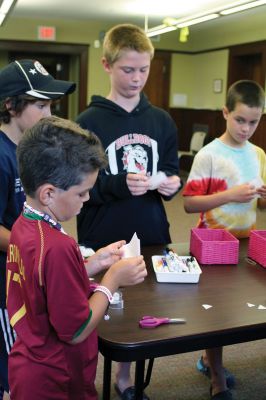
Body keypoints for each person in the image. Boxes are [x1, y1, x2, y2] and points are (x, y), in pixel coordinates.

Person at [6, 116, 147, 400]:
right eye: (82, 193)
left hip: (30, 362)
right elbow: (76, 330)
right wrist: (112, 281)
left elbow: (43, 279)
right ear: (48, 193)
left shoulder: (24, 224)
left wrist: (93, 262)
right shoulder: (58, 246)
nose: (86, 199)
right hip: (56, 375)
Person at [76, 23, 181, 399]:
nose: (137, 79)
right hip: (101, 237)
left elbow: (171, 168)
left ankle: (125, 378)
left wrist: (170, 183)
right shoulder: (88, 122)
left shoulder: (161, 120)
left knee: (139, 316)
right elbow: (77, 187)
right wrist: (118, 184)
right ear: (106, 64)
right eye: (127, 70)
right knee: (99, 312)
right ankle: (85, 381)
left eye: (144, 70)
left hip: (151, 233)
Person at [183, 79, 266, 400]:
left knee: (238, 310)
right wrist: (228, 194)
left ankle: (207, 359)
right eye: (240, 120)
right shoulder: (209, 155)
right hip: (212, 244)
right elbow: (189, 204)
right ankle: (217, 375)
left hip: (248, 244)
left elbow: (258, 204)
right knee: (216, 314)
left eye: (254, 121)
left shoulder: (259, 154)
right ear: (225, 113)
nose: (246, 128)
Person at [0, 59, 76, 399]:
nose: (48, 114)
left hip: (30, 269)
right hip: (6, 284)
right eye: (40, 105)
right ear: (10, 105)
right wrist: (37, 244)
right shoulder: (1, 156)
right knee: (14, 366)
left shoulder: (29, 152)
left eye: (51, 105)